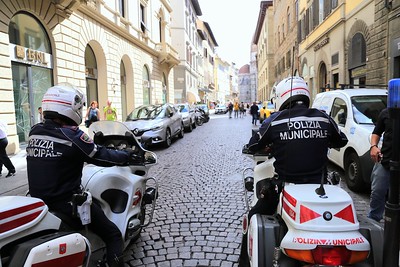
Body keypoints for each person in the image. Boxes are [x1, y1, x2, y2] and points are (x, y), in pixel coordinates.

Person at [26, 83, 134, 267]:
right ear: (69, 108)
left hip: (39, 201)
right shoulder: (73, 137)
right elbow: (101, 156)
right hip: (66, 204)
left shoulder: (35, 131)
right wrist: (128, 155)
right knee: (114, 235)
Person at [247, 76, 347, 187]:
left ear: (280, 96)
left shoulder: (274, 120)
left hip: (286, 184)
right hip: (320, 183)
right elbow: (342, 140)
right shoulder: (323, 117)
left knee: (262, 199)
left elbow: (253, 145)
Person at [368, 108, 391, 222]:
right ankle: (373, 221)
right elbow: (376, 132)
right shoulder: (386, 112)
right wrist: (373, 146)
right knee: (377, 192)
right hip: (386, 160)